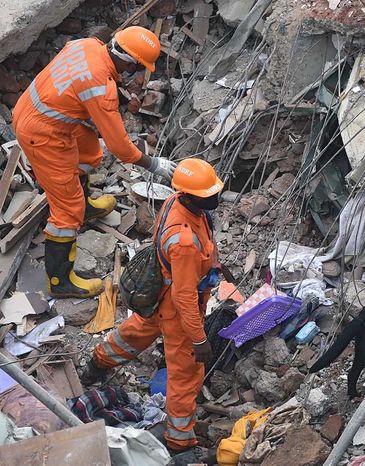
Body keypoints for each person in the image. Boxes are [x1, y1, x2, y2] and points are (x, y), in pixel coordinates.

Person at [12, 26, 177, 299]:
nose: (136, 74)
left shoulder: (87, 44)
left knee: (89, 152)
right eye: (137, 67)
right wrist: (152, 164)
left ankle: (85, 205)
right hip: (41, 134)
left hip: (42, 110)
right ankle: (60, 281)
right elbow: (120, 147)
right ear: (128, 61)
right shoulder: (100, 87)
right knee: (66, 213)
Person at [81, 158, 223, 454]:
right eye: (209, 193)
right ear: (189, 195)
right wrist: (199, 339)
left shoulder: (177, 201)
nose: (215, 197)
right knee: (185, 374)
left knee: (135, 332)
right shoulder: (183, 240)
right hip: (179, 308)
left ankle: (97, 363)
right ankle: (180, 443)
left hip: (162, 295)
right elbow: (185, 298)